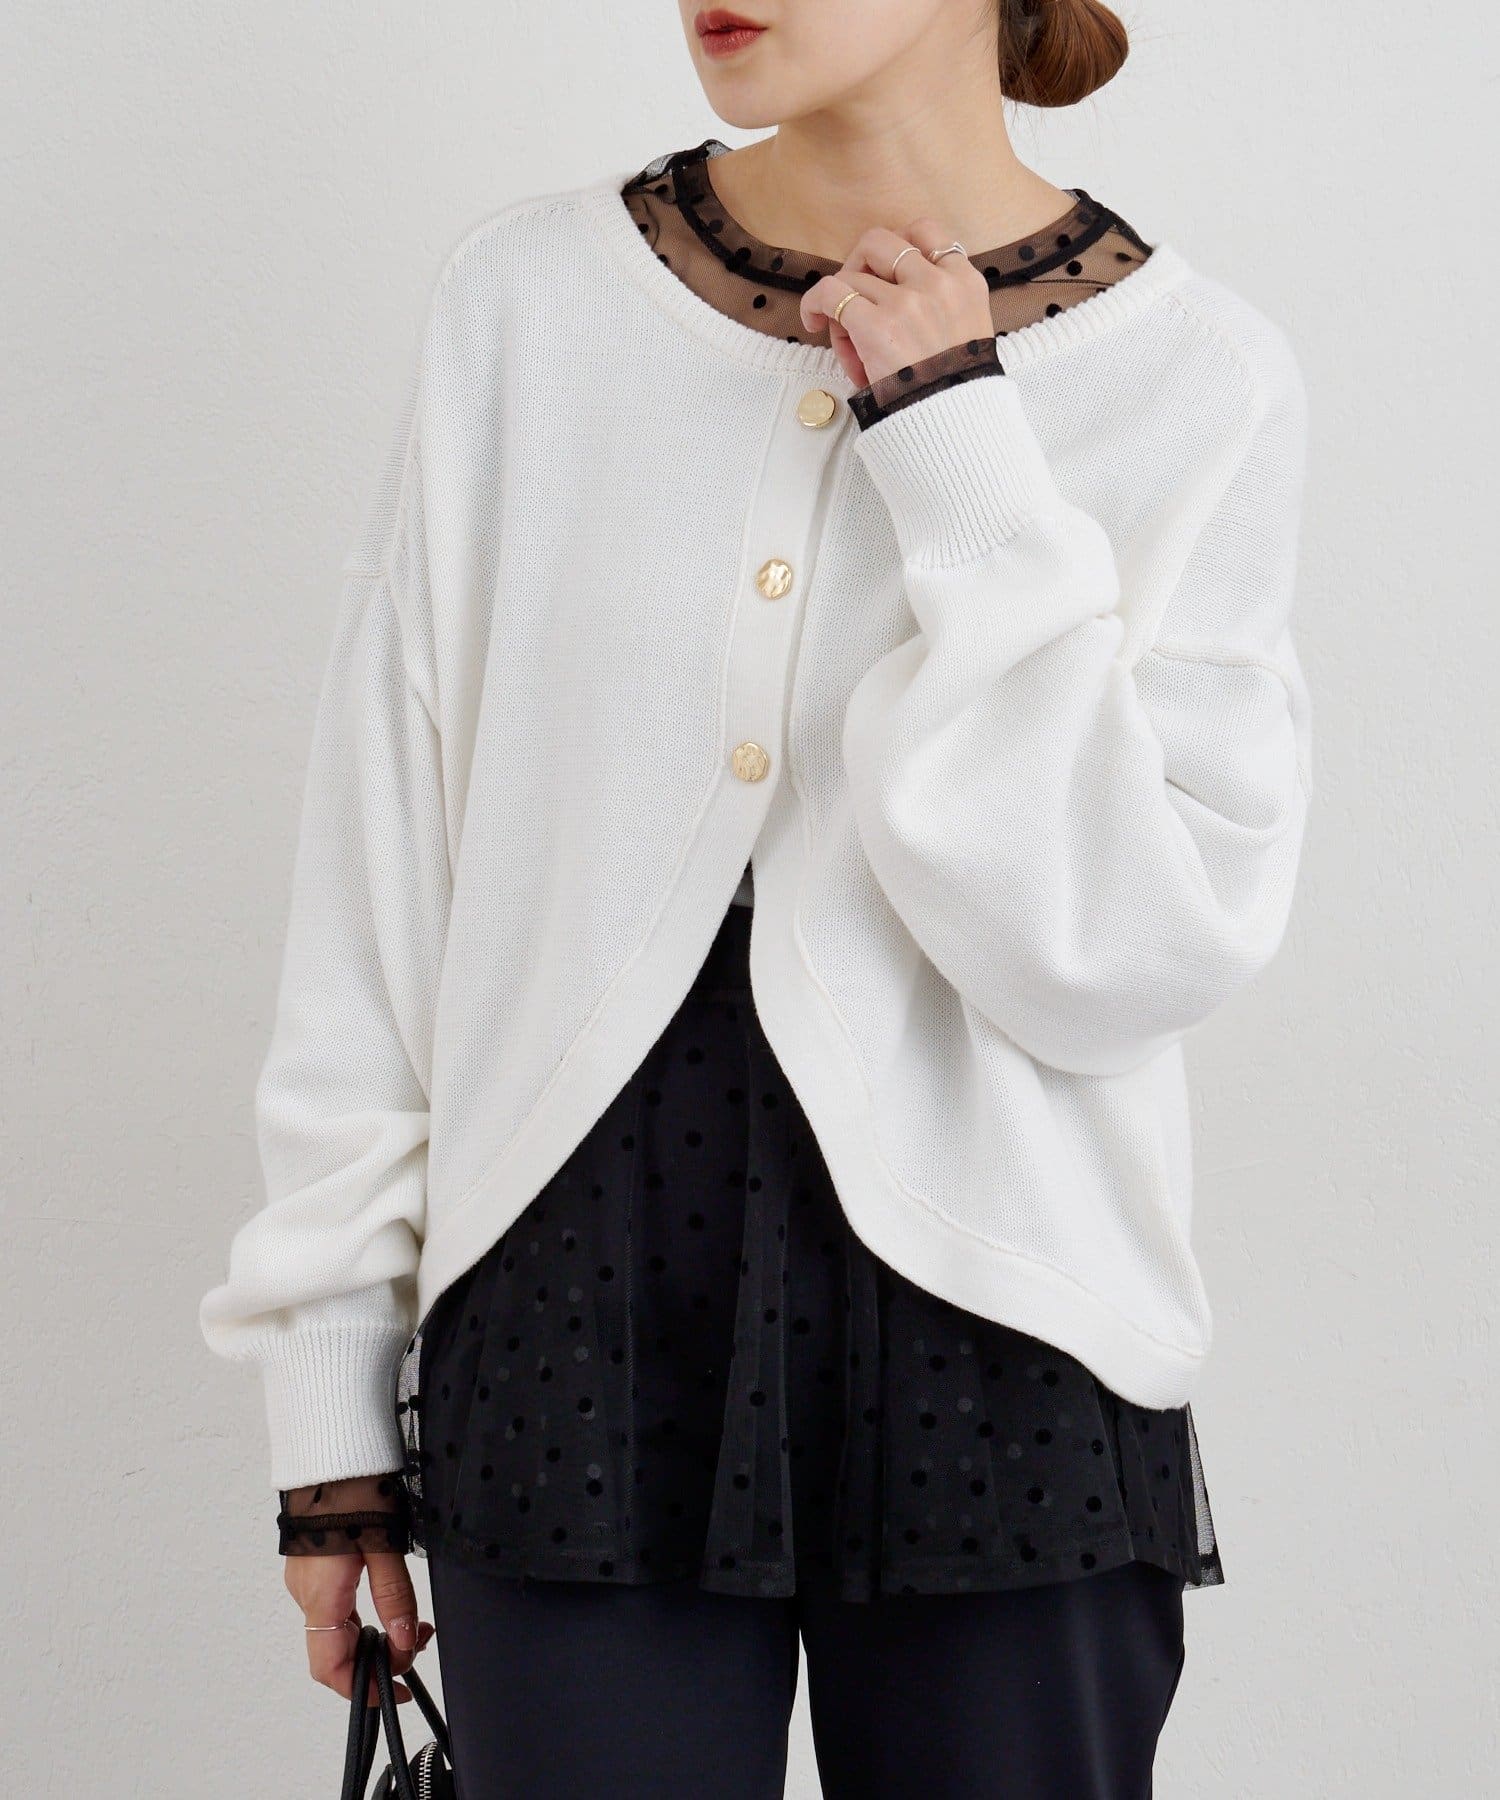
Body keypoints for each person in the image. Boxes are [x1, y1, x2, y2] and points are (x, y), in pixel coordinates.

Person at [200, 1, 1314, 1793]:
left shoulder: (1198, 375)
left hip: (1013, 1328)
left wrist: (959, 452)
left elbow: (1127, 952)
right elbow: (383, 869)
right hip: (569, 1310)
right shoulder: (529, 307)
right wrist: (329, 1397)